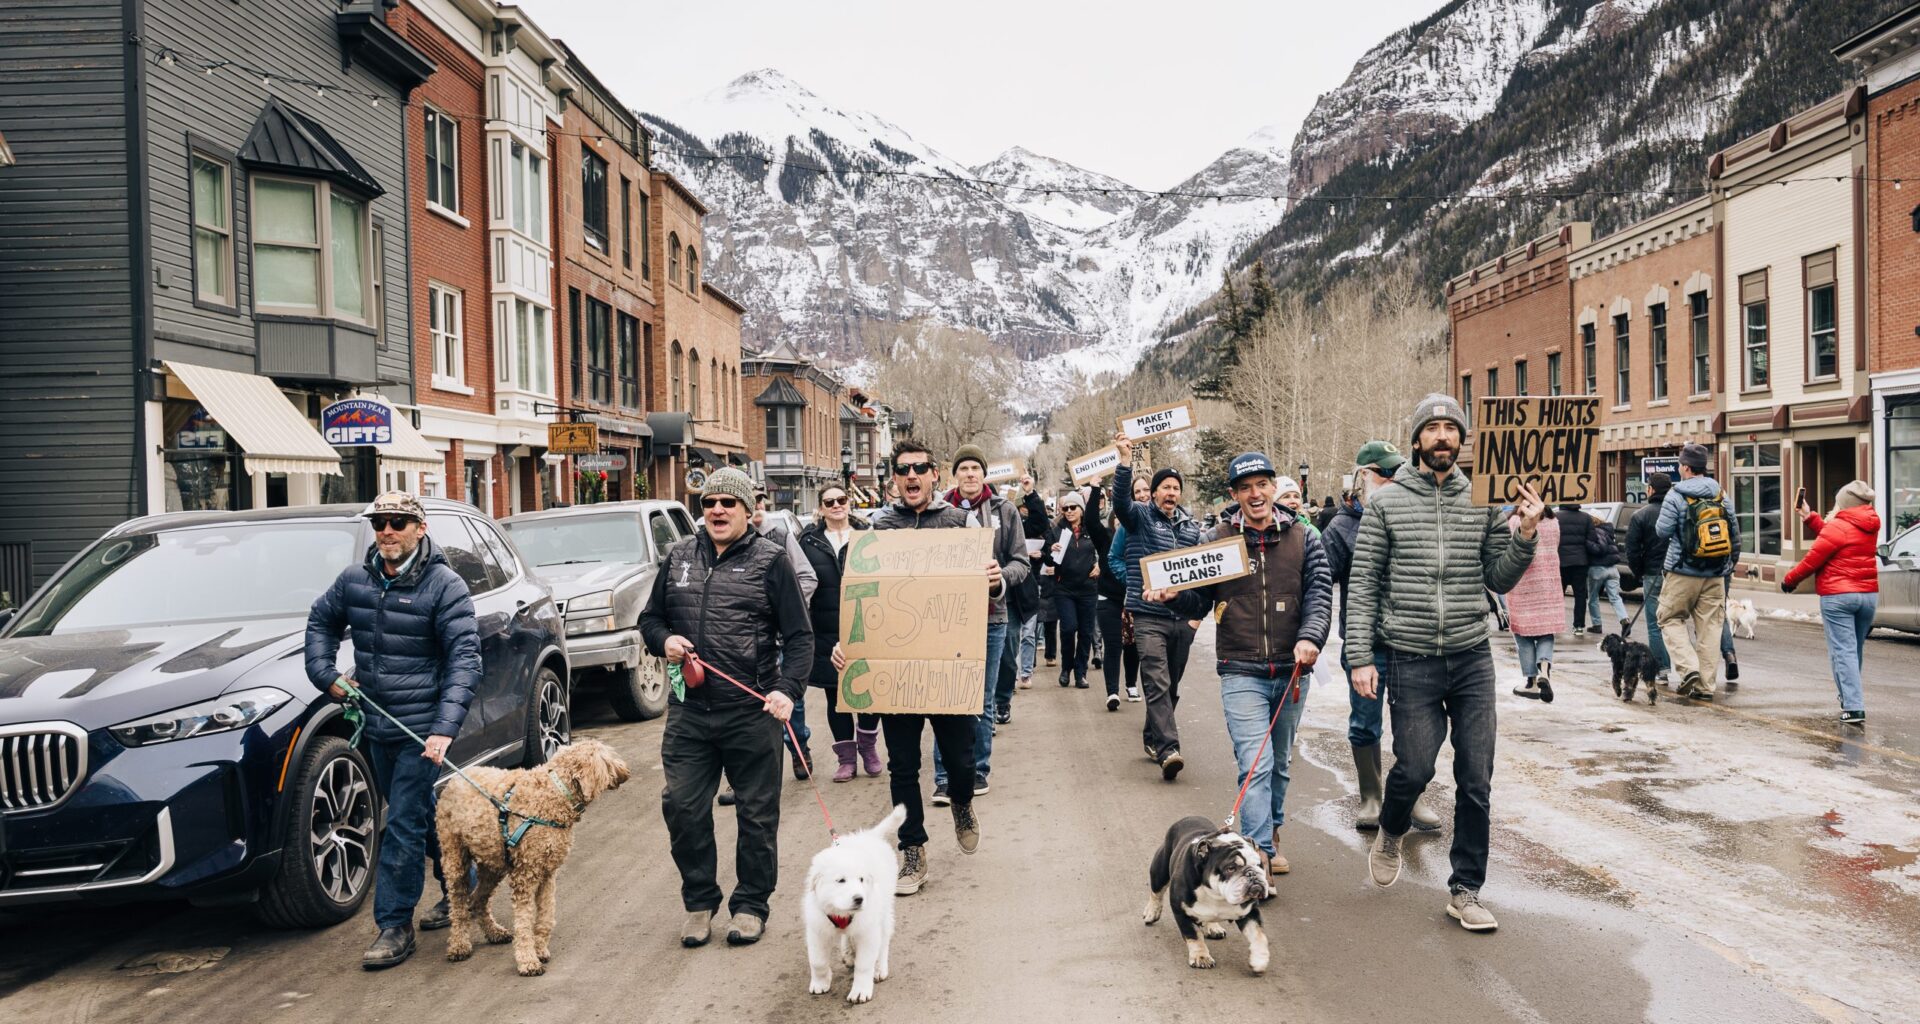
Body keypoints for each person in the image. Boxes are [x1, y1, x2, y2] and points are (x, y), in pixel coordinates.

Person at [1346, 394, 1544, 933]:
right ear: (1416, 441)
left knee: (1476, 777)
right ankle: (1392, 827)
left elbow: (1498, 578)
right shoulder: (1386, 504)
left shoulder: (1479, 503)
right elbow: (1362, 586)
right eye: (1431, 429)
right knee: (1414, 766)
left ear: (1462, 441)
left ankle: (1465, 889)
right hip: (1410, 658)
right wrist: (1359, 656)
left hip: (1471, 656)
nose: (1441, 437)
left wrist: (1525, 534)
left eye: (1450, 430)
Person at [305, 491, 482, 969]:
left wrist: (444, 728)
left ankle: (393, 925)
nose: (387, 530)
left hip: (422, 729)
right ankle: (463, 884)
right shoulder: (353, 581)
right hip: (376, 723)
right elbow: (321, 621)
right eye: (380, 522)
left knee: (400, 822)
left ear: (419, 529)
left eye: (398, 522)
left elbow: (466, 660)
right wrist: (327, 674)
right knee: (418, 814)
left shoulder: (445, 586)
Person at [640, 467, 813, 948]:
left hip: (751, 711)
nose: (717, 510)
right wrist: (665, 638)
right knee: (681, 806)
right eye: (710, 502)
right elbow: (649, 620)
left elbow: (799, 638)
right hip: (690, 711)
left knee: (757, 816)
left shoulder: (771, 561)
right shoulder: (677, 558)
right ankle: (699, 902)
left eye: (727, 503)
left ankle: (751, 906)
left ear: (746, 509)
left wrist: (788, 689)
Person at [1148, 452, 1330, 876]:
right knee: (1255, 763)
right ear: (1234, 494)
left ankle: (1272, 830)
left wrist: (1310, 638)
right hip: (1240, 668)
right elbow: (1201, 597)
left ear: (1273, 488)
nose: (1255, 494)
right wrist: (1176, 596)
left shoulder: (1304, 537)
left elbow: (1320, 596)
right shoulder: (1217, 539)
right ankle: (1259, 853)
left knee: (1279, 763)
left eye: (1262, 484)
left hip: (1291, 670)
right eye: (1245, 487)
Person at [830, 440, 999, 895]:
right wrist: (845, 645)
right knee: (903, 766)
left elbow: (985, 594)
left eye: (919, 468)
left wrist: (995, 583)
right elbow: (853, 600)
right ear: (893, 480)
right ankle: (913, 850)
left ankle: (962, 801)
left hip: (947, 671)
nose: (911, 476)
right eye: (903, 470)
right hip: (896, 674)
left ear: (933, 476)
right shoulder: (876, 531)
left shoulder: (961, 523)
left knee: (961, 762)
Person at [1323, 442, 1442, 833]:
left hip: (1412, 642)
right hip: (1366, 645)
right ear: (1362, 478)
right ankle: (1371, 796)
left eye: (1396, 474)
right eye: (1383, 474)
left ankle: (1412, 796)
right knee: (1365, 722)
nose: (1391, 481)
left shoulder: (1415, 515)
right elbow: (1320, 583)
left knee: (1415, 724)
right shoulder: (1341, 528)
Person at [929, 444, 1031, 805]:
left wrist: (998, 577)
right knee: (944, 699)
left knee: (981, 701)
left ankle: (977, 771)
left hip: (991, 617)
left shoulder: (1004, 510)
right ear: (954, 474)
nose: (970, 474)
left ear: (984, 474)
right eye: (964, 468)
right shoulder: (937, 510)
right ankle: (943, 778)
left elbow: (1021, 562)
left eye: (976, 467)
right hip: (943, 619)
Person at [1112, 433, 1204, 781]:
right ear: (1153, 492)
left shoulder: (1192, 530)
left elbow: (1201, 578)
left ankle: (1152, 737)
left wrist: (1197, 617)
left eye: (1175, 488)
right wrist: (1124, 462)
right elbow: (1121, 503)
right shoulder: (1139, 518)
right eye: (1164, 487)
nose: (1170, 493)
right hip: (1147, 615)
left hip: (1181, 618)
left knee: (1172, 685)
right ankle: (1169, 749)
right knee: (1157, 682)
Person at [798, 483, 880, 782]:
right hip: (825, 628)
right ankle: (846, 760)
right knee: (836, 696)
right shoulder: (808, 542)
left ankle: (868, 749)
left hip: (865, 624)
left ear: (849, 503)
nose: (836, 505)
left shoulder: (869, 536)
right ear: (821, 508)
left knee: (867, 693)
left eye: (841, 499)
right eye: (829, 501)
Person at [1783, 480, 1879, 725]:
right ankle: (1849, 699)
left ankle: (1854, 707)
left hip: (1839, 597)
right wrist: (1809, 516)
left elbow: (1813, 559)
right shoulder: (1869, 522)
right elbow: (1835, 536)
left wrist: (1789, 580)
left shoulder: (1840, 525)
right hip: (1867, 595)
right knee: (1852, 651)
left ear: (1845, 503)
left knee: (1842, 652)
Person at [1652, 442, 1740, 701]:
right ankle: (1705, 686)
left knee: (1669, 618)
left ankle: (1688, 668)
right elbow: (1734, 533)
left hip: (1681, 572)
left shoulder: (1676, 494)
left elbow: (1662, 531)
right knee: (1710, 628)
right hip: (1715, 574)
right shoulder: (1721, 494)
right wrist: (1728, 566)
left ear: (1686, 468)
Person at [1048, 487, 1109, 693]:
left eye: (1073, 507)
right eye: (1065, 508)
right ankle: (1066, 667)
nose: (1069, 511)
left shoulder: (1091, 529)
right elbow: (1047, 559)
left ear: (1081, 509)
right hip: (1064, 588)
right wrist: (1050, 550)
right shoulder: (1057, 530)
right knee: (1068, 628)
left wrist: (1101, 565)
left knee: (1085, 631)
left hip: (1088, 589)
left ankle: (1080, 672)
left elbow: (1107, 549)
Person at [1508, 507, 1564, 701]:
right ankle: (1545, 670)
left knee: (1523, 634)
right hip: (1549, 583)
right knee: (1546, 632)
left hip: (1522, 584)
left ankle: (1531, 682)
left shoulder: (1515, 522)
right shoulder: (1553, 523)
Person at [1585, 511, 1628, 636]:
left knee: (1593, 598)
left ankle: (1596, 625)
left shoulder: (1596, 531)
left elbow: (1600, 548)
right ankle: (1624, 619)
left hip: (1598, 569)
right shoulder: (1609, 531)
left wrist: (1586, 543)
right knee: (1615, 597)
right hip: (1613, 569)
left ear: (1594, 520)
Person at [1554, 502, 1591, 634]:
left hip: (1561, 562)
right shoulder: (1586, 518)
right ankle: (1579, 626)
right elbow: (1591, 540)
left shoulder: (1555, 517)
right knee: (1580, 595)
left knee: (1558, 595)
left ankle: (1556, 623)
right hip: (1580, 562)